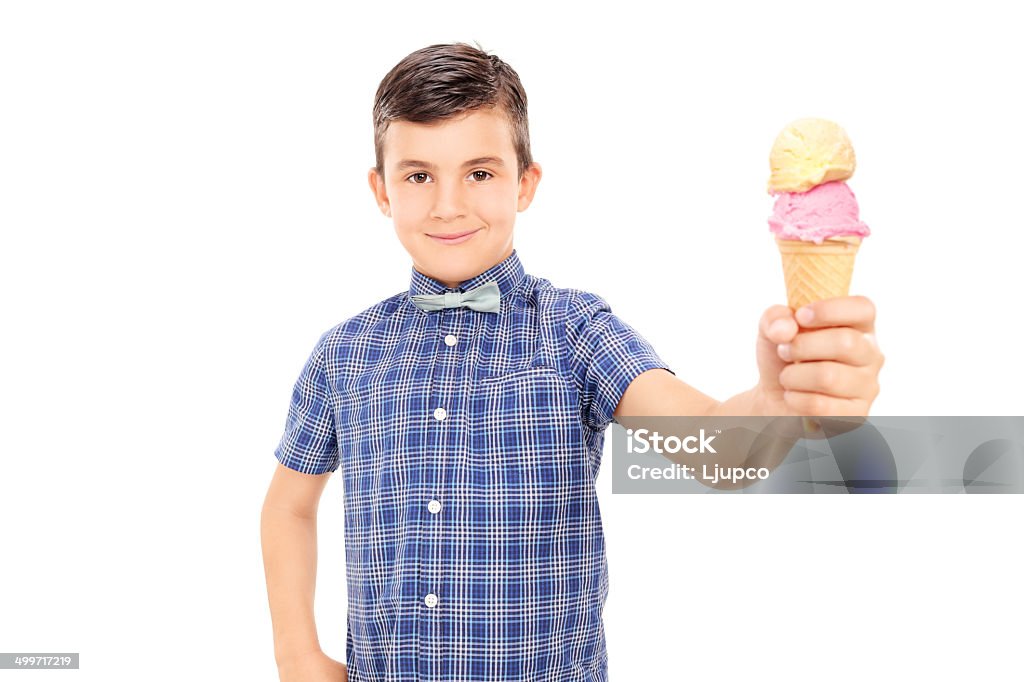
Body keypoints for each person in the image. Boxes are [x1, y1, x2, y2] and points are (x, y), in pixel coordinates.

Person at [261, 42, 884, 682]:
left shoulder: (575, 331)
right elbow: (288, 506)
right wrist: (297, 655)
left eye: (480, 172)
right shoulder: (345, 354)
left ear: (526, 183)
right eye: (418, 175)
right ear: (381, 190)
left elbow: (716, 449)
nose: (447, 204)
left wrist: (773, 404)